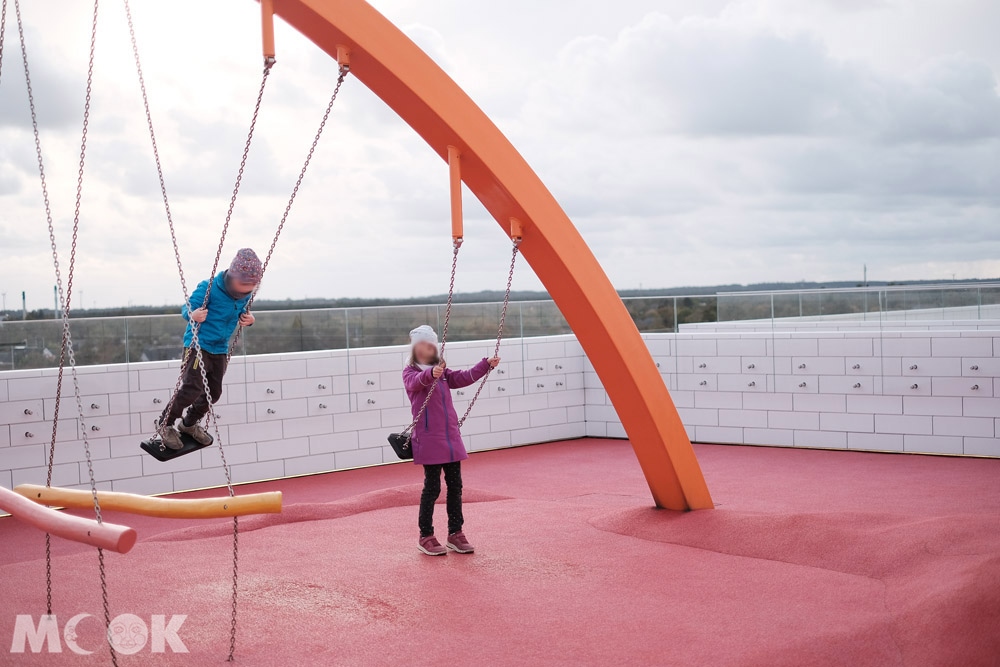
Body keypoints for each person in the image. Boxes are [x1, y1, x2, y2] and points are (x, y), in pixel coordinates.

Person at [402, 325, 499, 556]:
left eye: (431, 344)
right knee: (432, 488)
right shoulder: (410, 372)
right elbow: (414, 383)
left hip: (450, 437)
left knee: (455, 486)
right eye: (424, 345)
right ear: (415, 348)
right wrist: (430, 374)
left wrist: (485, 365)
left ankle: (456, 532)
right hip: (429, 438)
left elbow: (464, 377)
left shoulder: (443, 371)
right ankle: (426, 535)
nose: (429, 348)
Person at [157, 248, 262, 450]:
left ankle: (188, 424)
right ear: (232, 277)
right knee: (192, 387)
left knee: (214, 392)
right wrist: (193, 314)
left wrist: (250, 320)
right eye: (243, 284)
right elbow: (187, 308)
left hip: (220, 348)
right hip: (198, 344)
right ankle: (165, 423)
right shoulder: (209, 287)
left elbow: (242, 313)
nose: (246, 289)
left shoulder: (246, 295)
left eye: (252, 285)